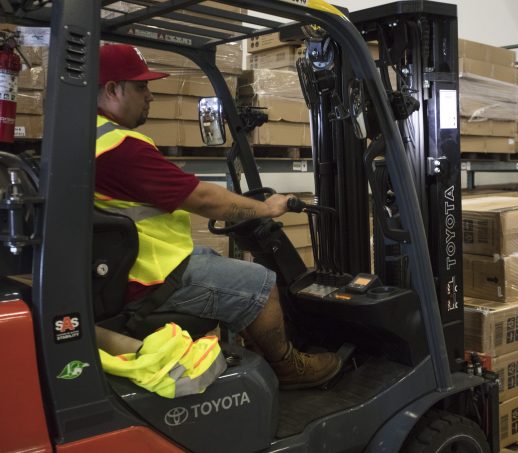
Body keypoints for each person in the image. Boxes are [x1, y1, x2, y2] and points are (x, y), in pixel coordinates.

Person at [95, 44, 341, 390]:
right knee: (261, 283)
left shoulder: (90, 139)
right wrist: (267, 208)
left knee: (209, 257)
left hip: (130, 269)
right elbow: (206, 200)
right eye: (140, 87)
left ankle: (257, 346)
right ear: (111, 89)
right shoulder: (120, 148)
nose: (150, 95)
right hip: (148, 281)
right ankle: (287, 366)